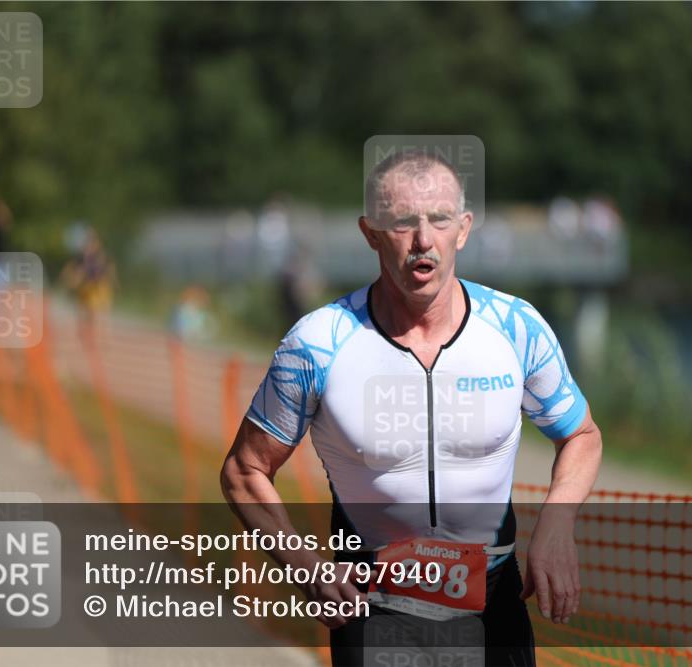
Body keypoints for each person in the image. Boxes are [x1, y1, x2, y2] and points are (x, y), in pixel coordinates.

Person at [221, 151, 603, 666]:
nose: (423, 240)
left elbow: (580, 435)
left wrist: (556, 526)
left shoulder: (516, 328)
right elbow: (245, 469)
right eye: (403, 222)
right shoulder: (317, 344)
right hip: (373, 604)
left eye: (440, 219)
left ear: (463, 230)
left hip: (494, 604)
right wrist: (303, 565)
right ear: (371, 232)